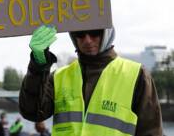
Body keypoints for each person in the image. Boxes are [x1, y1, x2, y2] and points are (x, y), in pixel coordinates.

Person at [19, 25, 163, 136]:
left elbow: (151, 132)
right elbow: (32, 112)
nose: (87, 40)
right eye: (80, 34)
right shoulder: (58, 77)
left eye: (95, 32)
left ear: (107, 32)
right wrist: (38, 66)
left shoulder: (137, 75)